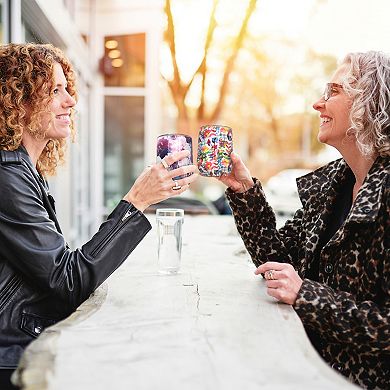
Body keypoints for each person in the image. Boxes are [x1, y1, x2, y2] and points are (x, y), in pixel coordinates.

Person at [0, 43, 198, 389]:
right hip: (13, 358)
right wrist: (136, 201)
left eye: (67, 89)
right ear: (20, 100)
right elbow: (68, 281)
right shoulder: (7, 176)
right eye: (55, 90)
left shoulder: (25, 171)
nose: (70, 101)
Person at [218, 51, 389, 389]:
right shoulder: (332, 186)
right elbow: (279, 262)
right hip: (305, 368)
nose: (317, 104)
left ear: (369, 106)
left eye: (333, 91)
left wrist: (306, 295)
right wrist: (246, 193)